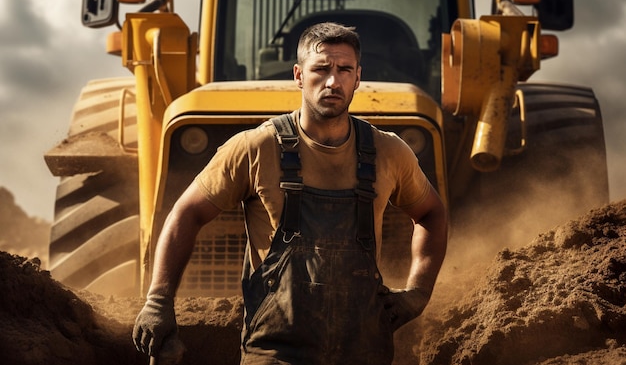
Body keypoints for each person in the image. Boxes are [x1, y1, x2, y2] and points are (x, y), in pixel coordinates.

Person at [133, 22, 448, 365]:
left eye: (344, 70)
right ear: (299, 75)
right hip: (274, 354)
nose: (332, 81)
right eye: (321, 69)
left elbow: (431, 213)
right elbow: (186, 213)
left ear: (358, 77)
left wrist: (417, 293)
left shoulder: (390, 152)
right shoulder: (255, 147)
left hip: (364, 353)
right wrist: (158, 302)